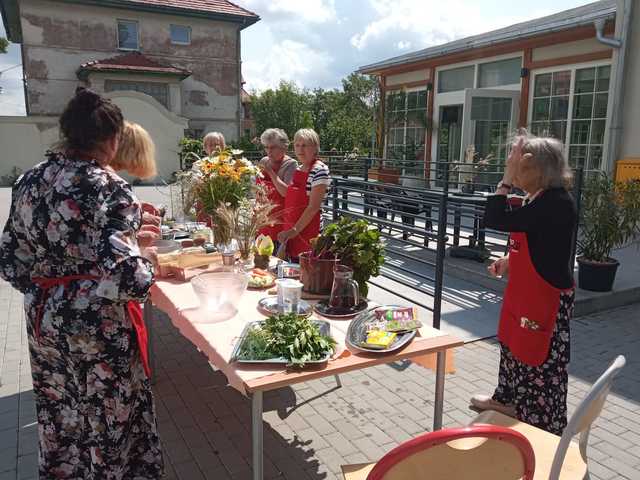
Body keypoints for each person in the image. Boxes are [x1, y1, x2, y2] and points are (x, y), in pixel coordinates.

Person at [0, 87, 164, 478]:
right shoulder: (108, 186)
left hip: (45, 323)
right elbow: (129, 277)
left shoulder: (27, 181)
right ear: (111, 140)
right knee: (109, 423)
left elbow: (9, 262)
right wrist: (148, 260)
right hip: (98, 330)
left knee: (62, 415)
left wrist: (55, 286)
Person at [471, 133, 577, 436]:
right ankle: (506, 402)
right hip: (524, 295)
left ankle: (540, 427)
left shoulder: (556, 203)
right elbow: (540, 243)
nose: (516, 171)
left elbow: (496, 217)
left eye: (520, 165)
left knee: (540, 363)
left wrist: (504, 180)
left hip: (544, 299)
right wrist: (509, 260)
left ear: (540, 169)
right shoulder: (539, 198)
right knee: (513, 349)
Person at [278, 128, 331, 259]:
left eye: (305, 145)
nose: (300, 150)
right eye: (297, 145)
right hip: (292, 233)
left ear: (315, 148)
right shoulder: (298, 169)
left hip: (308, 235)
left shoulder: (320, 170)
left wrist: (293, 231)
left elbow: (313, 208)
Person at [257, 128, 298, 241]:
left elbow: (285, 192)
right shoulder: (263, 161)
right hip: (263, 217)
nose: (269, 151)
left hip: (281, 218)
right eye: (266, 147)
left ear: (284, 147)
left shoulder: (291, 164)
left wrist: (270, 171)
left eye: (273, 147)